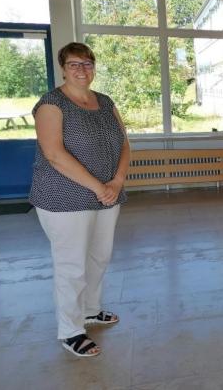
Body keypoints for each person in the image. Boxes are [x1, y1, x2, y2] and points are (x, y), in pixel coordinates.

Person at [29, 42, 131, 356]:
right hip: (64, 199)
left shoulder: (104, 101)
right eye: (74, 64)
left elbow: (125, 143)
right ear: (63, 67)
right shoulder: (51, 103)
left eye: (87, 63)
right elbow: (54, 154)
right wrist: (98, 186)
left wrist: (116, 180)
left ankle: (90, 309)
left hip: (108, 194)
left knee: (99, 256)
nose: (81, 69)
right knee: (71, 265)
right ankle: (71, 330)